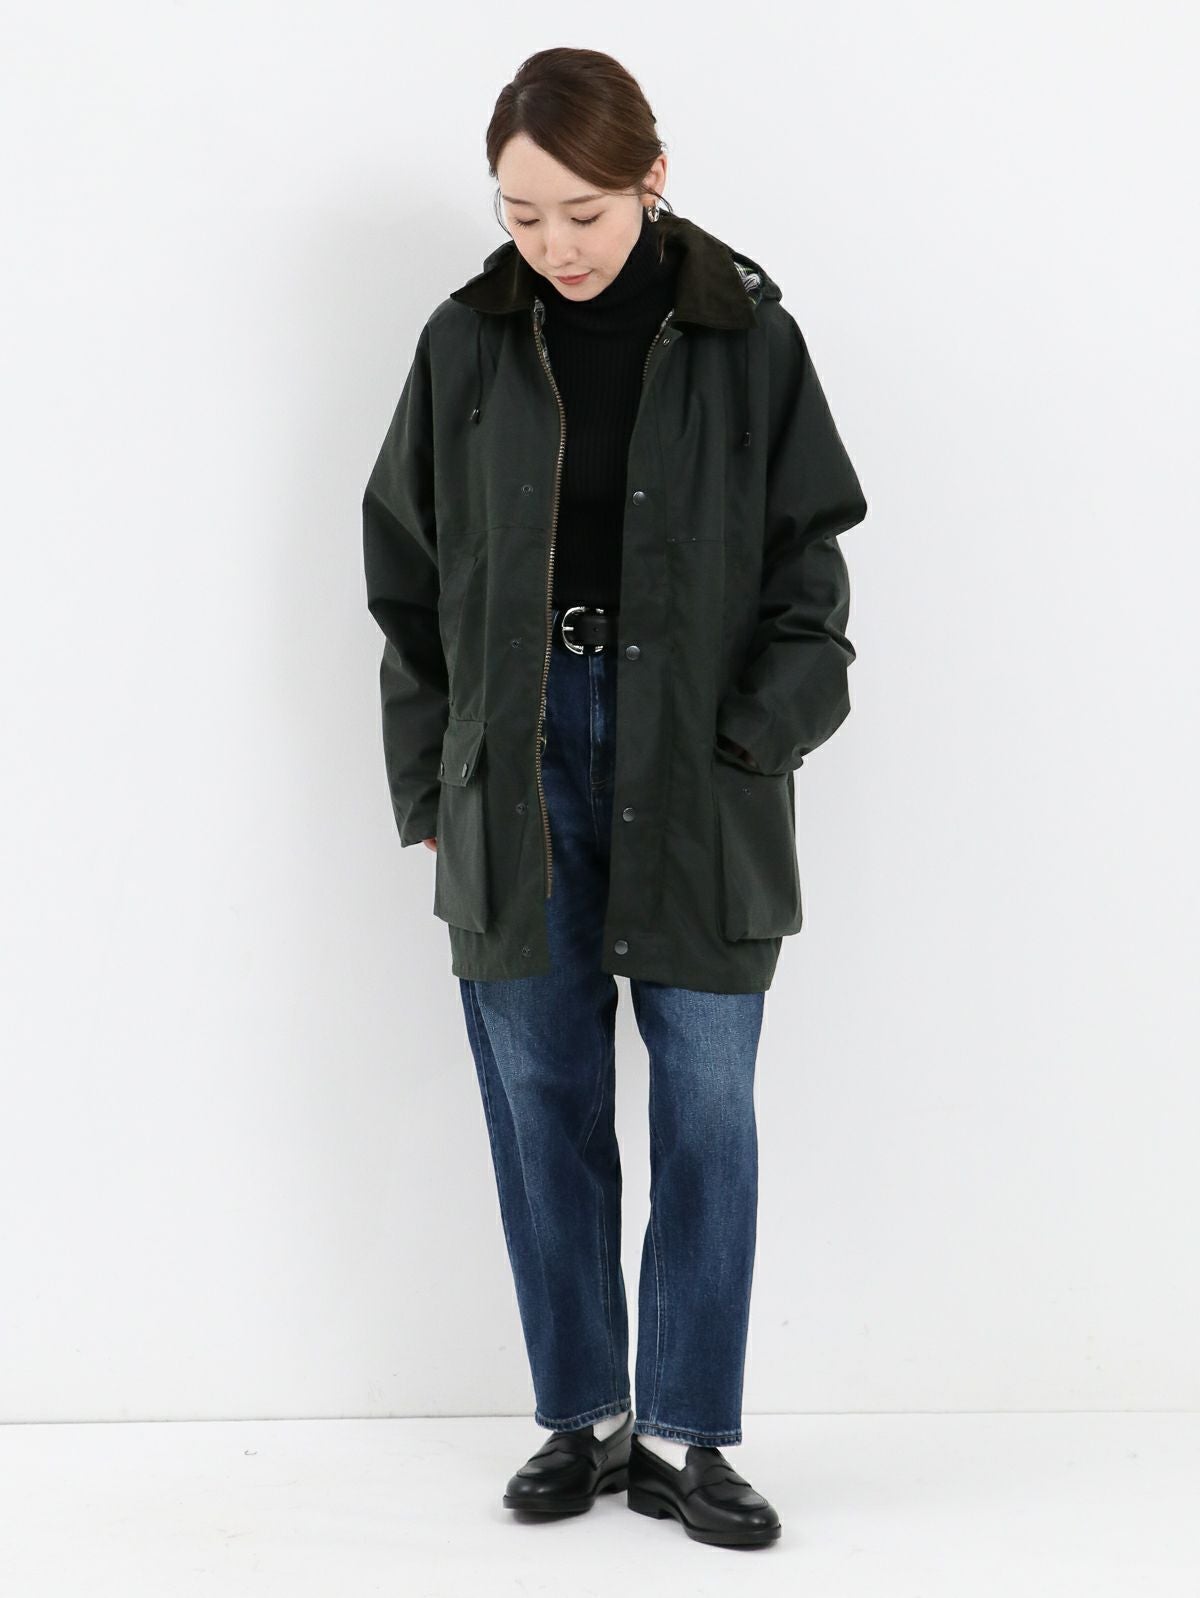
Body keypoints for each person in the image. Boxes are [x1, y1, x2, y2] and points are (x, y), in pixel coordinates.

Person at [362, 46, 868, 1549]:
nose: (555, 246)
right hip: (514, 764)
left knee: (707, 1103)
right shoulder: (464, 342)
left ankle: (687, 1434)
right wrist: (434, 777)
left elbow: (812, 572)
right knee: (543, 1100)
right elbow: (405, 577)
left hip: (694, 763)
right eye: (520, 215)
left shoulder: (746, 334)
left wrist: (752, 740)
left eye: (581, 212)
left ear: (653, 176)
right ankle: (579, 1416)